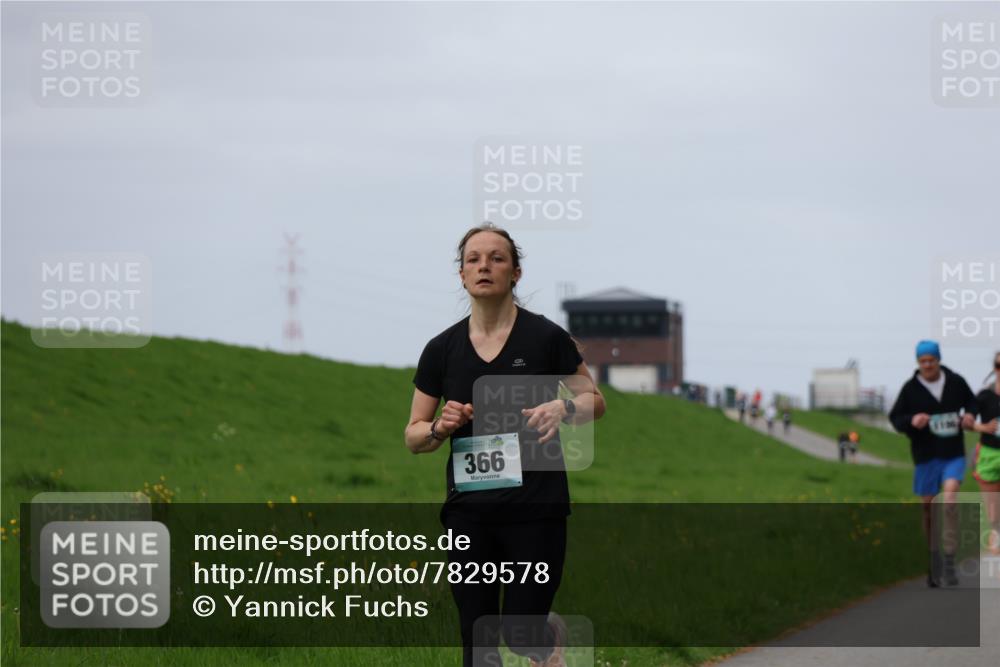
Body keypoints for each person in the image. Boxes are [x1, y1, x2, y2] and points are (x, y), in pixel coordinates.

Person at [405, 223, 606, 666]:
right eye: (473, 259)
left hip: (536, 509)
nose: (484, 266)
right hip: (469, 513)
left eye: (496, 258)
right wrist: (439, 427)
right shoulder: (441, 349)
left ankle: (546, 639)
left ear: (515, 273)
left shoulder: (547, 339)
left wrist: (563, 408)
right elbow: (413, 434)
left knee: (520, 634)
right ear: (461, 274)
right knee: (477, 641)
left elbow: (595, 402)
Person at [888, 340, 978, 587]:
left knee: (948, 500)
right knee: (929, 507)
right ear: (918, 363)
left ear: (939, 360)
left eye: (931, 360)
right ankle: (934, 558)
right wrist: (911, 420)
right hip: (925, 456)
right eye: (923, 361)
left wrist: (970, 415)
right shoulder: (910, 389)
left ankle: (949, 560)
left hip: (953, 453)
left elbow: (972, 402)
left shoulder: (955, 381)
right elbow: (895, 418)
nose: (927, 365)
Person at [972, 351, 1000, 555]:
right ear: (995, 369)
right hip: (989, 454)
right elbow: (966, 420)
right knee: (994, 512)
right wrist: (982, 427)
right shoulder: (984, 395)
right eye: (999, 366)